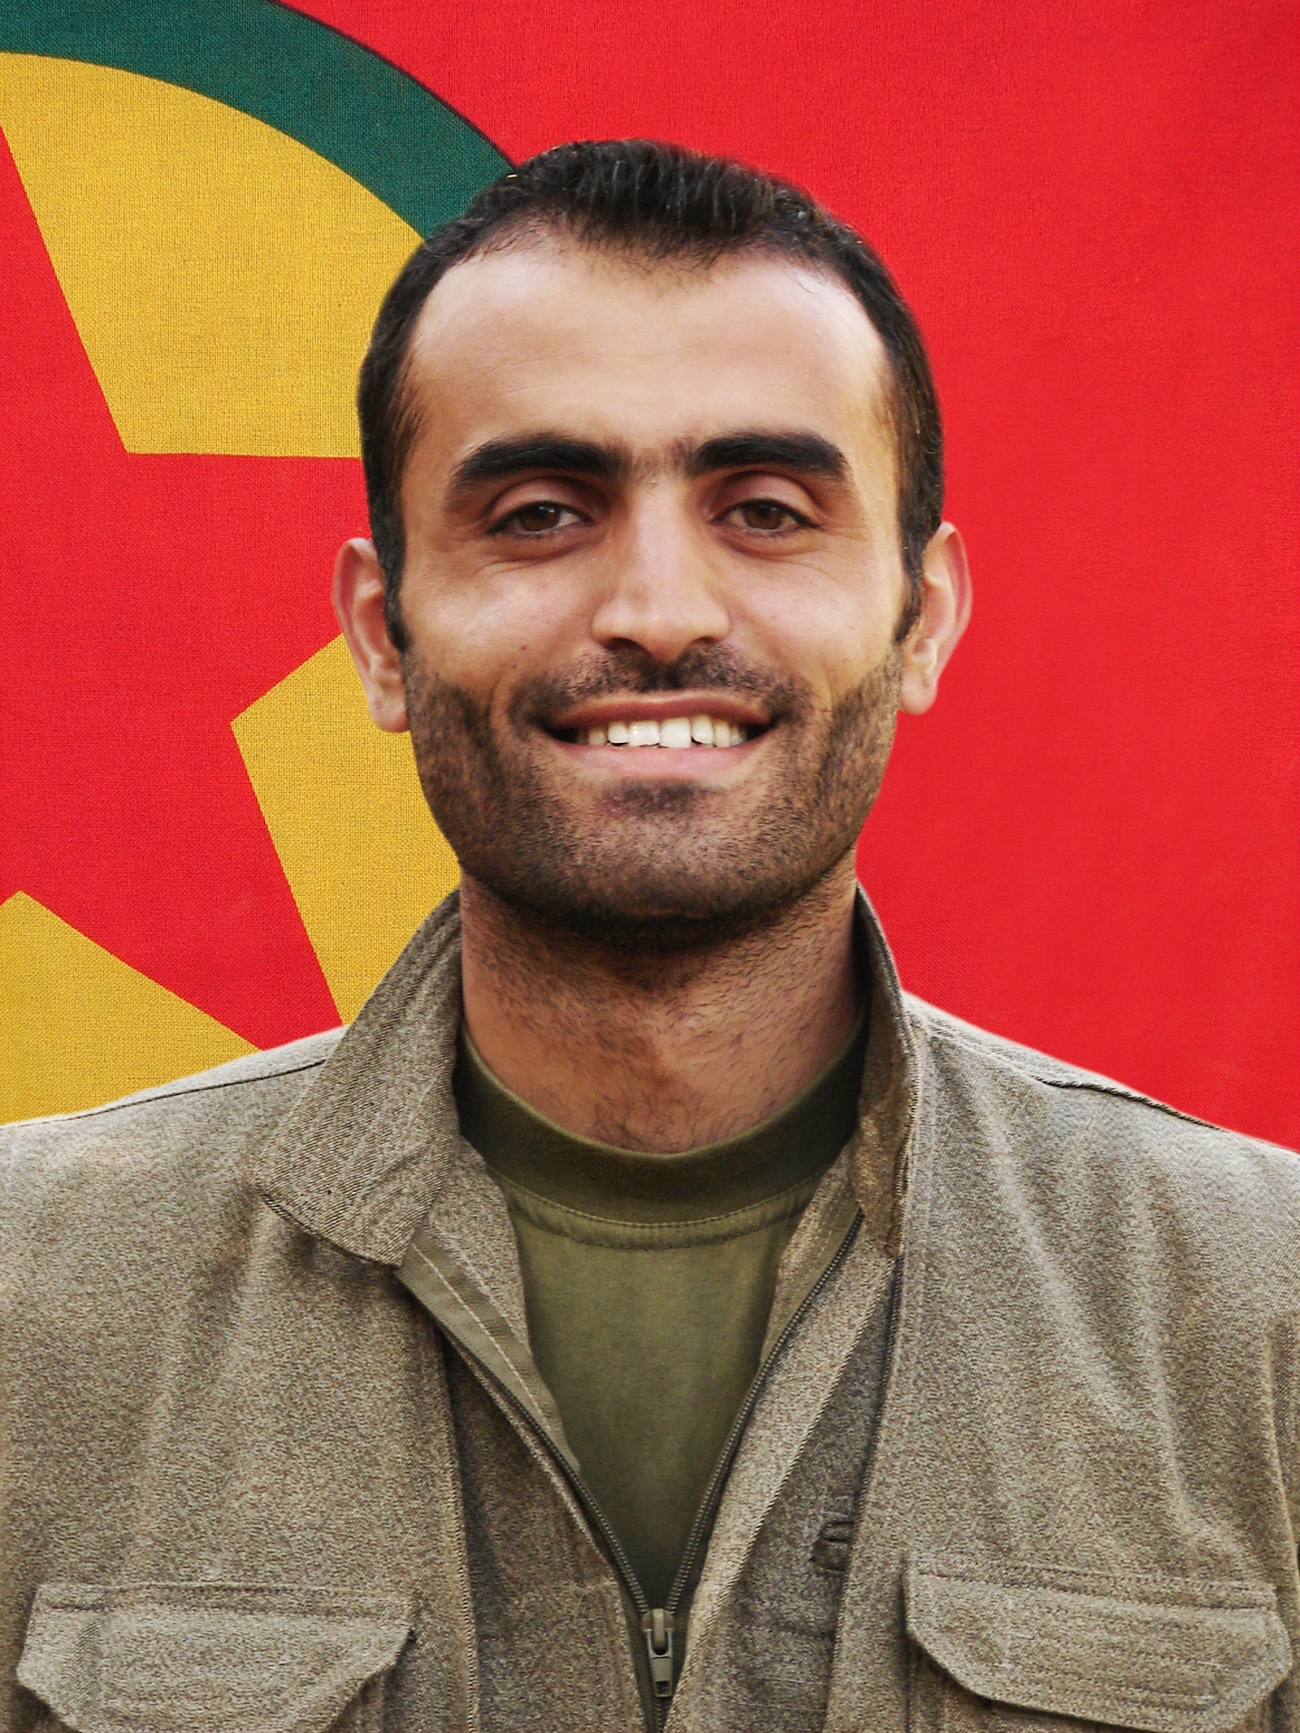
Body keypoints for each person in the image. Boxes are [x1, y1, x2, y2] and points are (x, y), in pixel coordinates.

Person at [1, 140, 1296, 1733]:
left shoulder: (1260, 1307)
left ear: (923, 614)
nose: (662, 608)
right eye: (543, 513)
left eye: (768, 510)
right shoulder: (28, 1297)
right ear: (383, 635)